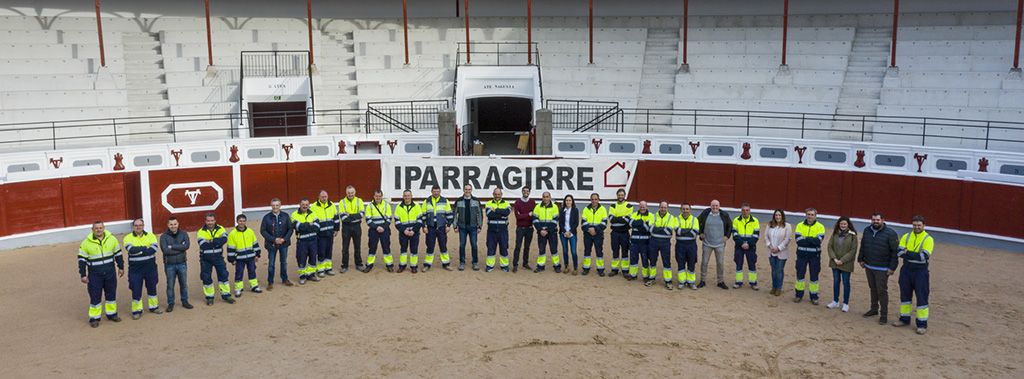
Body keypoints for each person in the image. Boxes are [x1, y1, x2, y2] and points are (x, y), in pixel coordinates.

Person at [78, 221, 124, 327]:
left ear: (104, 228)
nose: (98, 230)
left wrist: (121, 267)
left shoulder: (112, 239)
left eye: (100, 228)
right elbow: (81, 260)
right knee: (95, 296)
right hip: (95, 274)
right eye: (96, 228)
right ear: (92, 230)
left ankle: (112, 314)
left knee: (111, 294)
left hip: (110, 272)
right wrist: (83, 274)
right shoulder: (85, 243)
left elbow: (118, 254)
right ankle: (94, 318)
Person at [894, 215, 934, 335]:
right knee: (905, 296)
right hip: (906, 270)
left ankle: (922, 324)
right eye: (914, 225)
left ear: (924, 225)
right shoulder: (906, 236)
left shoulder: (928, 239)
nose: (916, 227)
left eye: (919, 225)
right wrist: (911, 254)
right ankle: (904, 319)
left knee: (922, 297)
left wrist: (907, 253)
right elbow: (899, 252)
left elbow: (923, 257)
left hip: (920, 272)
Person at [857, 212, 900, 325]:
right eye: (873, 220)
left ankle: (884, 315)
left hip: (882, 268)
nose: (875, 222)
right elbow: (863, 245)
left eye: (877, 220)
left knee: (881, 291)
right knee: (873, 288)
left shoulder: (891, 233)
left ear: (883, 220)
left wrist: (892, 267)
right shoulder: (867, 230)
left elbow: (894, 252)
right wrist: (860, 259)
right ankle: (874, 309)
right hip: (869, 265)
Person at [123, 218, 162, 320]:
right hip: (135, 269)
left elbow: (153, 249)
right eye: (136, 225)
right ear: (133, 227)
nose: (138, 227)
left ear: (143, 226)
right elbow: (131, 250)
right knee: (136, 289)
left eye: (140, 225)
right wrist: (145, 248)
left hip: (150, 268)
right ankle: (137, 311)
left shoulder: (151, 235)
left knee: (152, 287)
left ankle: (154, 307)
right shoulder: (128, 237)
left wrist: (139, 251)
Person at [197, 213, 235, 305]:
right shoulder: (201, 231)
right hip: (205, 259)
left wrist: (210, 241)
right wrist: (217, 241)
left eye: (212, 220)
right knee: (206, 277)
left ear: (215, 221)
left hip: (218, 257)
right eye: (208, 221)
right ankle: (209, 297)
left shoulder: (220, 228)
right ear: (205, 221)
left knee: (223, 275)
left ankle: (226, 295)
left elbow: (225, 239)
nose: (210, 222)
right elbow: (203, 245)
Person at [697, 200, 732, 289]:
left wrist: (727, 236)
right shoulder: (705, 213)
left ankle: (720, 281)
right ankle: (702, 280)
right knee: (704, 262)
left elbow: (730, 226)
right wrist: (700, 233)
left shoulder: (724, 215)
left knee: (720, 263)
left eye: (716, 206)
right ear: (710, 206)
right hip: (707, 243)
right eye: (713, 206)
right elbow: (696, 222)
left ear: (719, 206)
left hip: (720, 243)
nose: (715, 207)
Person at [793, 208, 826, 305]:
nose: (810, 216)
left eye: (812, 215)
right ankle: (799, 295)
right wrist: (812, 240)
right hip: (801, 255)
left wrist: (806, 238)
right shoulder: (799, 225)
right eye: (808, 214)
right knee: (800, 275)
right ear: (806, 215)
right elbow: (798, 240)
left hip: (814, 256)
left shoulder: (820, 226)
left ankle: (814, 296)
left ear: (815, 216)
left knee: (814, 277)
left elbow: (818, 241)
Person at [160, 217, 192, 311]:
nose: (173, 226)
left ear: (178, 224)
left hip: (182, 263)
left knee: (184, 284)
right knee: (170, 285)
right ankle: (170, 303)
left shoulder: (184, 234)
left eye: (175, 224)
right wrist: (180, 248)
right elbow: (165, 250)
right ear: (168, 225)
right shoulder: (163, 236)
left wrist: (172, 246)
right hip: (169, 264)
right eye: (171, 224)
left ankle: (185, 301)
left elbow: (187, 246)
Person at [261, 198, 293, 290]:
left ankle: (285, 279)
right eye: (273, 205)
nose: (275, 207)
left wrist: (284, 239)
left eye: (277, 205)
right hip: (271, 244)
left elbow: (290, 229)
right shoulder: (266, 217)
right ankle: (270, 282)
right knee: (271, 263)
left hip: (283, 243)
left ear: (280, 206)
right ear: (271, 206)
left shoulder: (286, 216)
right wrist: (274, 239)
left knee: (284, 262)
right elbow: (263, 231)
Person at [827, 217, 858, 312]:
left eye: (845, 224)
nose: (843, 225)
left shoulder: (853, 235)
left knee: (846, 283)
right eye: (841, 224)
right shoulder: (835, 233)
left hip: (846, 264)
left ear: (848, 225)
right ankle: (835, 301)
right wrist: (834, 258)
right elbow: (829, 246)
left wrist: (842, 260)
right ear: (838, 224)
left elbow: (853, 251)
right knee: (836, 282)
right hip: (835, 262)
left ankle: (845, 303)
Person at [228, 214, 262, 297]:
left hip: (251, 257)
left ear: (245, 222)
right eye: (240, 221)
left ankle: (254, 286)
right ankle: (238, 289)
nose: (242, 223)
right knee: (239, 273)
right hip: (239, 258)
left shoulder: (250, 231)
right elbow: (230, 248)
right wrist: (232, 259)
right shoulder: (232, 234)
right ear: (237, 221)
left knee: (252, 271)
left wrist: (257, 254)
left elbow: (255, 243)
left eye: (243, 221)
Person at [422, 185, 454, 272]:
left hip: (441, 227)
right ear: (431, 192)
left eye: (437, 191)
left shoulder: (445, 201)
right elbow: (423, 215)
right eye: (434, 191)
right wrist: (424, 226)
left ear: (440, 192)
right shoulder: (427, 201)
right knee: (430, 246)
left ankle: (446, 264)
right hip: (430, 227)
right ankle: (427, 264)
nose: (436, 193)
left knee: (443, 245)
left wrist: (448, 225)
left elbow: (449, 214)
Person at [291, 199, 321, 285]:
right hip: (302, 241)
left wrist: (303, 226)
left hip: (313, 241)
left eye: (306, 204)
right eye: (303, 204)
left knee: (313, 258)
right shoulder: (294, 214)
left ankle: (311, 274)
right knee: (301, 258)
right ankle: (302, 276)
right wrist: (310, 224)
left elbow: (317, 227)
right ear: (299, 205)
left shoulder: (313, 213)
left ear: (309, 205)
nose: (305, 206)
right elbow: (297, 227)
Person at [731, 203, 761, 290]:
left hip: (750, 246)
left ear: (750, 211)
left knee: (752, 264)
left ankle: (753, 283)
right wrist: (742, 243)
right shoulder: (736, 220)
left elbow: (756, 235)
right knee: (738, 264)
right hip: (739, 246)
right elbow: (735, 234)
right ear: (741, 211)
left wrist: (748, 244)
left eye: (747, 210)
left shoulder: (755, 220)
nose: (745, 212)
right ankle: (738, 282)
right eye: (743, 210)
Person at [453, 184, 483, 271]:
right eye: (466, 189)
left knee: (474, 245)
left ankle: (475, 263)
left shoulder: (476, 201)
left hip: (473, 227)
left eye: (469, 189)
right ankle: (462, 263)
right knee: (462, 245)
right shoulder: (459, 201)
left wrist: (479, 226)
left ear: (471, 190)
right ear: (463, 190)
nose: (467, 191)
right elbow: (454, 214)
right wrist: (455, 226)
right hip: (462, 227)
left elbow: (480, 214)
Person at [394, 189, 424, 273]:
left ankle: (413, 266)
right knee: (403, 250)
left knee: (414, 250)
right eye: (405, 196)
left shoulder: (417, 206)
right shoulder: (398, 207)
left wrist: (414, 230)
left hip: (414, 233)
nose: (407, 197)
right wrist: (404, 230)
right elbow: (397, 221)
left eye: (408, 195)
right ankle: (402, 266)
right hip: (403, 233)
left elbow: (420, 220)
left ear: (411, 196)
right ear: (403, 197)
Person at [364, 190, 395, 272]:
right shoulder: (369, 206)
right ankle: (369, 265)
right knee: (372, 247)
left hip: (384, 230)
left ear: (382, 196)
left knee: (386, 247)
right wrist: (376, 227)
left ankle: (389, 265)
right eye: (376, 196)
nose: (378, 198)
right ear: (374, 196)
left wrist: (383, 227)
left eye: (379, 196)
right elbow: (368, 219)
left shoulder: (387, 205)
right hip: (373, 230)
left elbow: (389, 218)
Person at [311, 190, 339, 277]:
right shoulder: (314, 207)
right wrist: (315, 232)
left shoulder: (332, 205)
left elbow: (336, 218)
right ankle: (320, 270)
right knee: (321, 251)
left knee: (329, 251)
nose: (324, 198)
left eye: (325, 196)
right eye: (322, 197)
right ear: (319, 197)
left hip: (330, 233)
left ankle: (328, 268)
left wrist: (336, 229)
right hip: (320, 234)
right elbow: (312, 220)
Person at [650, 201, 678, 289]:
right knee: (652, 260)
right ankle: (651, 278)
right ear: (659, 207)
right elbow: (650, 229)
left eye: (665, 207)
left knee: (666, 261)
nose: (663, 209)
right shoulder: (653, 216)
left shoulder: (671, 217)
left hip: (665, 242)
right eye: (662, 207)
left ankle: (668, 281)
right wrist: (662, 229)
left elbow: (669, 230)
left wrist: (657, 228)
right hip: (654, 241)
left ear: (667, 208)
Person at [764, 210, 792, 296]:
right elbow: (766, 236)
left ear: (782, 216)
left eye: (779, 215)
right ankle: (774, 287)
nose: (778, 217)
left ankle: (779, 288)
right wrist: (770, 246)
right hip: (771, 251)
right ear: (774, 216)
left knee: (779, 270)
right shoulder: (770, 225)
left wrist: (779, 248)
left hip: (782, 252)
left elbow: (787, 239)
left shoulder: (787, 226)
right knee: (773, 270)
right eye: (776, 215)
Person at [338, 186, 366, 273]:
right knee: (345, 247)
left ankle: (359, 264)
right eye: (349, 193)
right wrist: (355, 216)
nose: (350, 194)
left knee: (357, 246)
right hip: (346, 227)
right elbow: (343, 217)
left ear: (355, 192)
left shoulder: (359, 201)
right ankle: (344, 265)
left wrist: (349, 215)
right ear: (346, 193)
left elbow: (361, 214)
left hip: (357, 226)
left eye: (352, 192)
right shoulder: (342, 202)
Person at [485, 188, 512, 272]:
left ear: (501, 194)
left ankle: (504, 266)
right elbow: (489, 214)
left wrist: (496, 210)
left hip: (503, 230)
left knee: (504, 247)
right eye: (495, 194)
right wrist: (501, 214)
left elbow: (507, 212)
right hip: (491, 230)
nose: (497, 196)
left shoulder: (506, 203)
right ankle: (490, 265)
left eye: (499, 194)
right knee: (491, 248)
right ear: (493, 194)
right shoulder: (488, 203)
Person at [581, 193, 608, 276]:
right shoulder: (586, 209)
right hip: (588, 234)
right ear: (590, 200)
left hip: (598, 234)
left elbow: (604, 223)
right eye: (592, 199)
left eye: (596, 199)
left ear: (598, 200)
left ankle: (600, 269)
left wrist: (595, 229)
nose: (594, 201)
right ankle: (586, 268)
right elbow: (583, 222)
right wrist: (589, 230)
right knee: (587, 251)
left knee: (599, 251)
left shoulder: (603, 209)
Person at [607, 189, 633, 277]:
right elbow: (611, 219)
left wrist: (617, 218)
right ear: (617, 195)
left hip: (624, 233)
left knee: (625, 251)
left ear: (624, 196)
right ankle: (614, 269)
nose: (620, 196)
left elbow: (627, 219)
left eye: (622, 195)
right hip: (615, 233)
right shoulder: (613, 206)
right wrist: (622, 218)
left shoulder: (629, 206)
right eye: (619, 195)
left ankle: (625, 270)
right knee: (615, 251)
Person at [532, 192, 560, 273]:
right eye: (544, 197)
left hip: (552, 232)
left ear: (550, 197)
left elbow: (555, 221)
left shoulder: (554, 207)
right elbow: (535, 219)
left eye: (547, 197)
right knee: (541, 250)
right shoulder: (537, 207)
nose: (545, 198)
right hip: (541, 233)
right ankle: (540, 266)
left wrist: (547, 230)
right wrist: (540, 230)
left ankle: (557, 266)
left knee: (554, 249)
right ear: (542, 197)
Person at [674, 203, 700, 289]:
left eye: (687, 209)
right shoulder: (676, 219)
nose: (685, 211)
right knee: (680, 262)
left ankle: (691, 282)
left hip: (691, 245)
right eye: (684, 209)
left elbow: (694, 233)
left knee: (691, 263)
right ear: (681, 210)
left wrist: (682, 231)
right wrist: (688, 230)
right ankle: (682, 281)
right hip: (680, 245)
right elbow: (677, 231)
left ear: (690, 210)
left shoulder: (695, 219)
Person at [628, 201, 654, 282]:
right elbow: (630, 224)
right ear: (639, 207)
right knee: (633, 259)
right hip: (634, 241)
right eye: (641, 206)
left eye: (644, 206)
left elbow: (648, 228)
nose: (642, 208)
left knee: (645, 259)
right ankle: (633, 275)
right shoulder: (634, 214)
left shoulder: (651, 215)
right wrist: (642, 222)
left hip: (645, 242)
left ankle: (645, 276)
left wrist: (638, 224)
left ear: (647, 207)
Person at [511, 186, 536, 273]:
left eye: (527, 191)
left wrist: (523, 215)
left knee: (527, 247)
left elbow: (533, 215)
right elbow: (518, 217)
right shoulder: (517, 202)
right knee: (518, 246)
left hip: (529, 228)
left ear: (529, 192)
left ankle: (525, 263)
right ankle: (515, 264)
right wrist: (528, 215)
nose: (526, 192)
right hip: (520, 228)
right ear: (522, 192)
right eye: (524, 191)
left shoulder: (532, 202)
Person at [558, 194, 581, 275]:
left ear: (572, 202)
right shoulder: (561, 210)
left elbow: (576, 223)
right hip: (563, 233)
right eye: (567, 200)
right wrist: (565, 231)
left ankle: (575, 267)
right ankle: (566, 266)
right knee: (565, 251)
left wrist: (570, 231)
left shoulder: (575, 210)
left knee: (573, 251)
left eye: (569, 200)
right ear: (565, 201)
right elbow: (560, 222)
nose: (568, 202)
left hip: (572, 233)